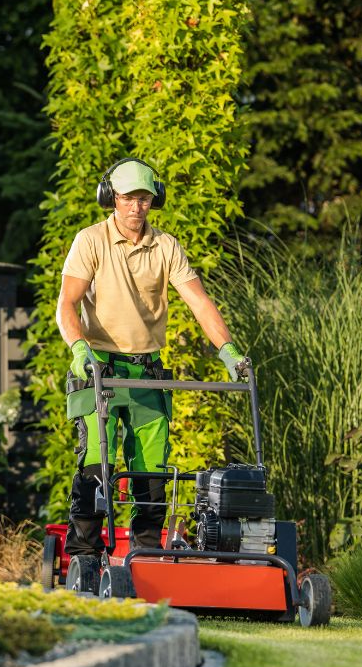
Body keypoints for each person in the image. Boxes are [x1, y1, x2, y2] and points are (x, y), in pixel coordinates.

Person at [55, 157, 250, 560]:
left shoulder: (166, 246)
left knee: (150, 474)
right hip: (100, 371)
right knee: (97, 465)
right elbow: (67, 304)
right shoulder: (89, 240)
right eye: (127, 198)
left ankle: (144, 554)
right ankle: (84, 556)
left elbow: (198, 301)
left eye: (143, 199)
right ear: (112, 198)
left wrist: (228, 351)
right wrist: (78, 348)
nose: (135, 207)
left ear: (153, 200)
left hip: (147, 372)